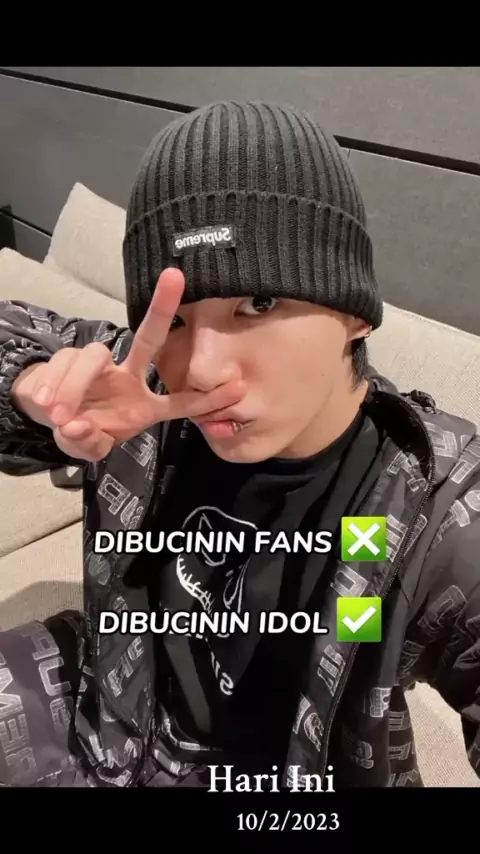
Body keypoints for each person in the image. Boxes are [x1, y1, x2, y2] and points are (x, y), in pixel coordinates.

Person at [0, 100, 479, 790]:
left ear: (354, 313)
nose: (199, 369)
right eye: (177, 318)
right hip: (107, 717)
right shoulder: (139, 387)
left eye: (257, 304)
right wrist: (32, 387)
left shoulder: (433, 500)